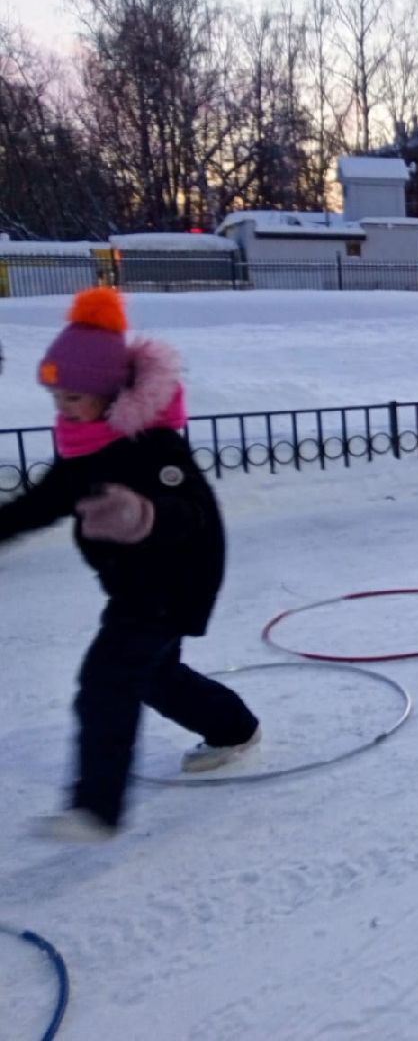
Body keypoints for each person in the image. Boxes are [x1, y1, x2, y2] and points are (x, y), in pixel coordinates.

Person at [0, 287, 261, 842]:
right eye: (56, 397)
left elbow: (191, 515)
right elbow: (37, 506)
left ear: (109, 390)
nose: (61, 409)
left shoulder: (150, 445)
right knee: (155, 676)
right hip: (136, 583)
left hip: (175, 578)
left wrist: (143, 514)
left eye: (73, 397)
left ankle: (96, 808)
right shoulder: (82, 448)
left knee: (106, 678)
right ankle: (233, 728)